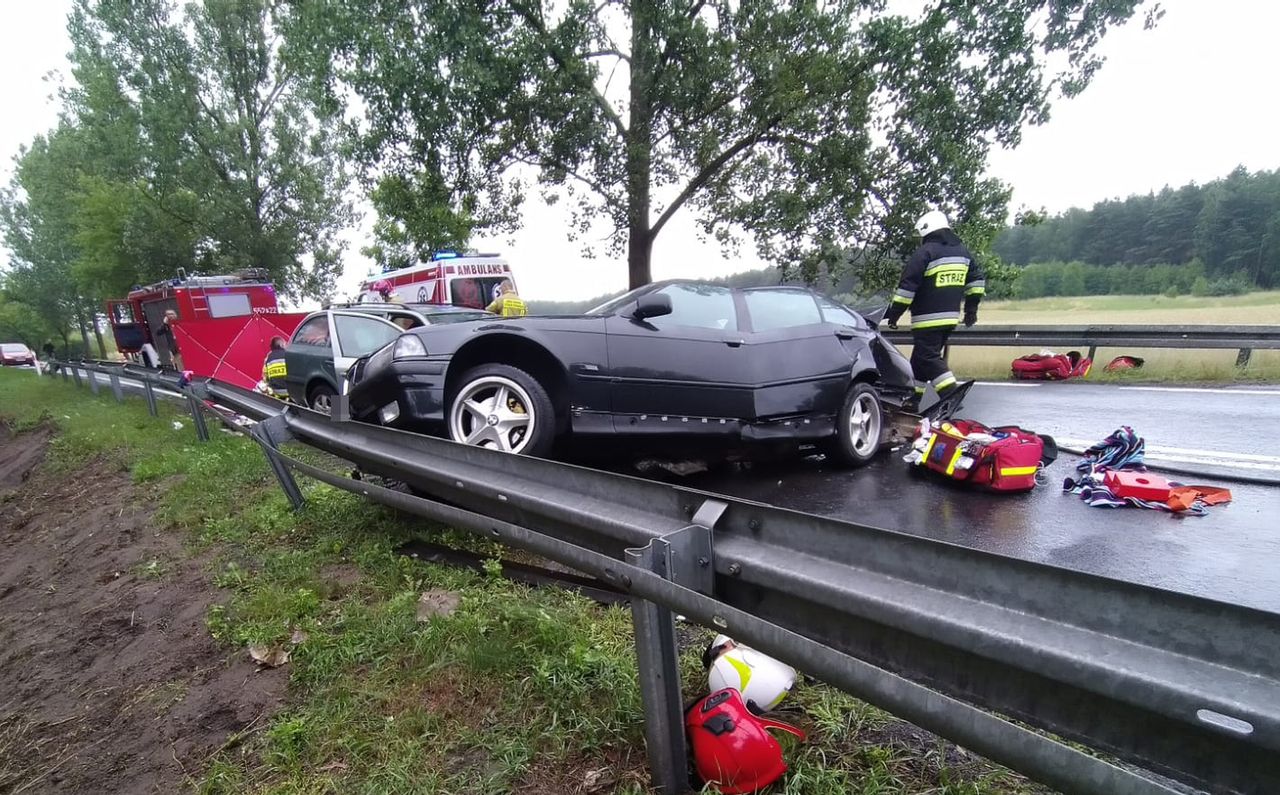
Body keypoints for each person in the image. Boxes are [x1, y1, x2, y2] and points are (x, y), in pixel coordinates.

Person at [883, 210, 984, 411]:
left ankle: (951, 395)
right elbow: (977, 282)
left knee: (928, 358)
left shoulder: (925, 253)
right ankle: (912, 403)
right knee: (919, 362)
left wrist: (894, 314)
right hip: (950, 319)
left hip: (927, 319)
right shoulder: (963, 253)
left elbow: (906, 289)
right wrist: (971, 310)